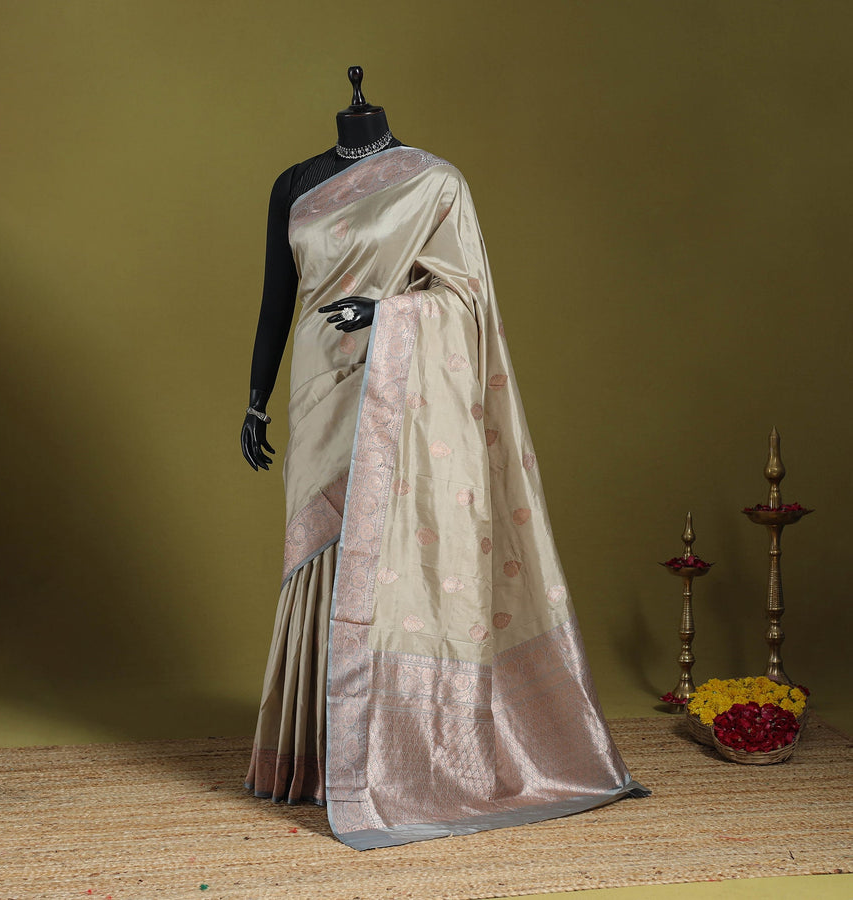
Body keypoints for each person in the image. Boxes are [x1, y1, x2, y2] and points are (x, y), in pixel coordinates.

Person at [241, 68, 648, 851]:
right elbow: (275, 302)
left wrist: (385, 312)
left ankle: (386, 757)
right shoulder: (293, 184)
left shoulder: (435, 182)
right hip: (318, 391)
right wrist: (255, 400)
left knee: (378, 552)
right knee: (317, 550)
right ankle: (316, 758)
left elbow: (466, 299)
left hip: (392, 384)